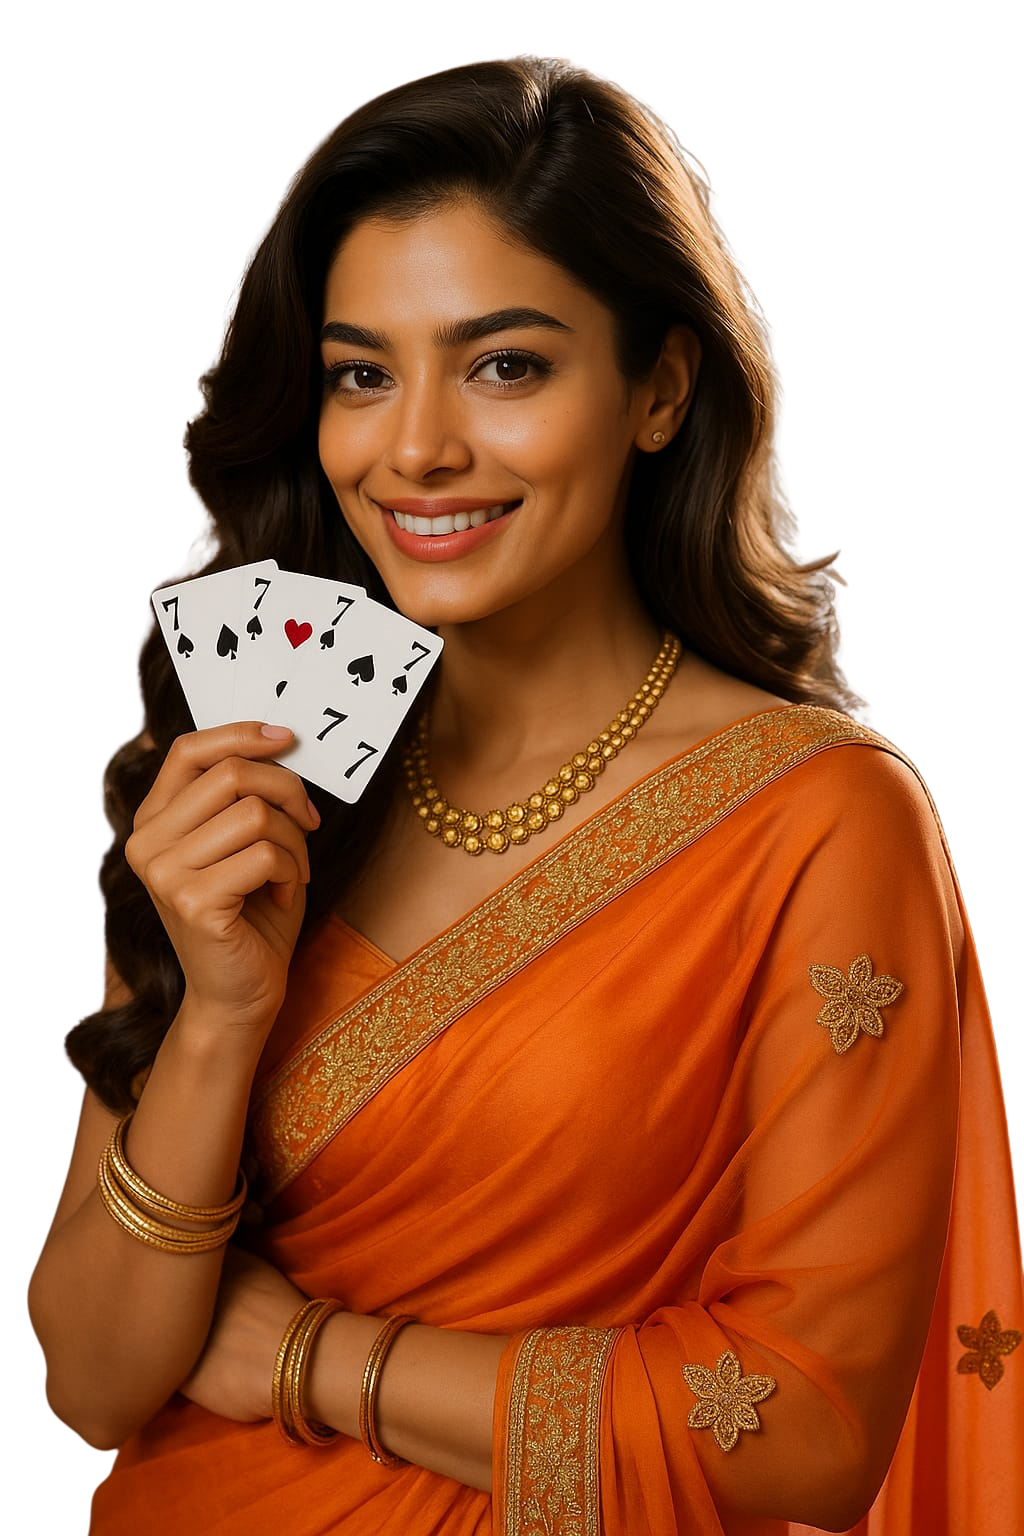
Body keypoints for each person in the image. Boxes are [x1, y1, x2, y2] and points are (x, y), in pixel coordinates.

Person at [27, 54, 1022, 1535]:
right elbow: (95, 1388)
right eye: (363, 374)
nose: (416, 447)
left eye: (506, 365)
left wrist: (306, 1358)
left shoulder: (818, 819)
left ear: (660, 391)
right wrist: (224, 1009)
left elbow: (806, 1426)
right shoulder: (247, 772)